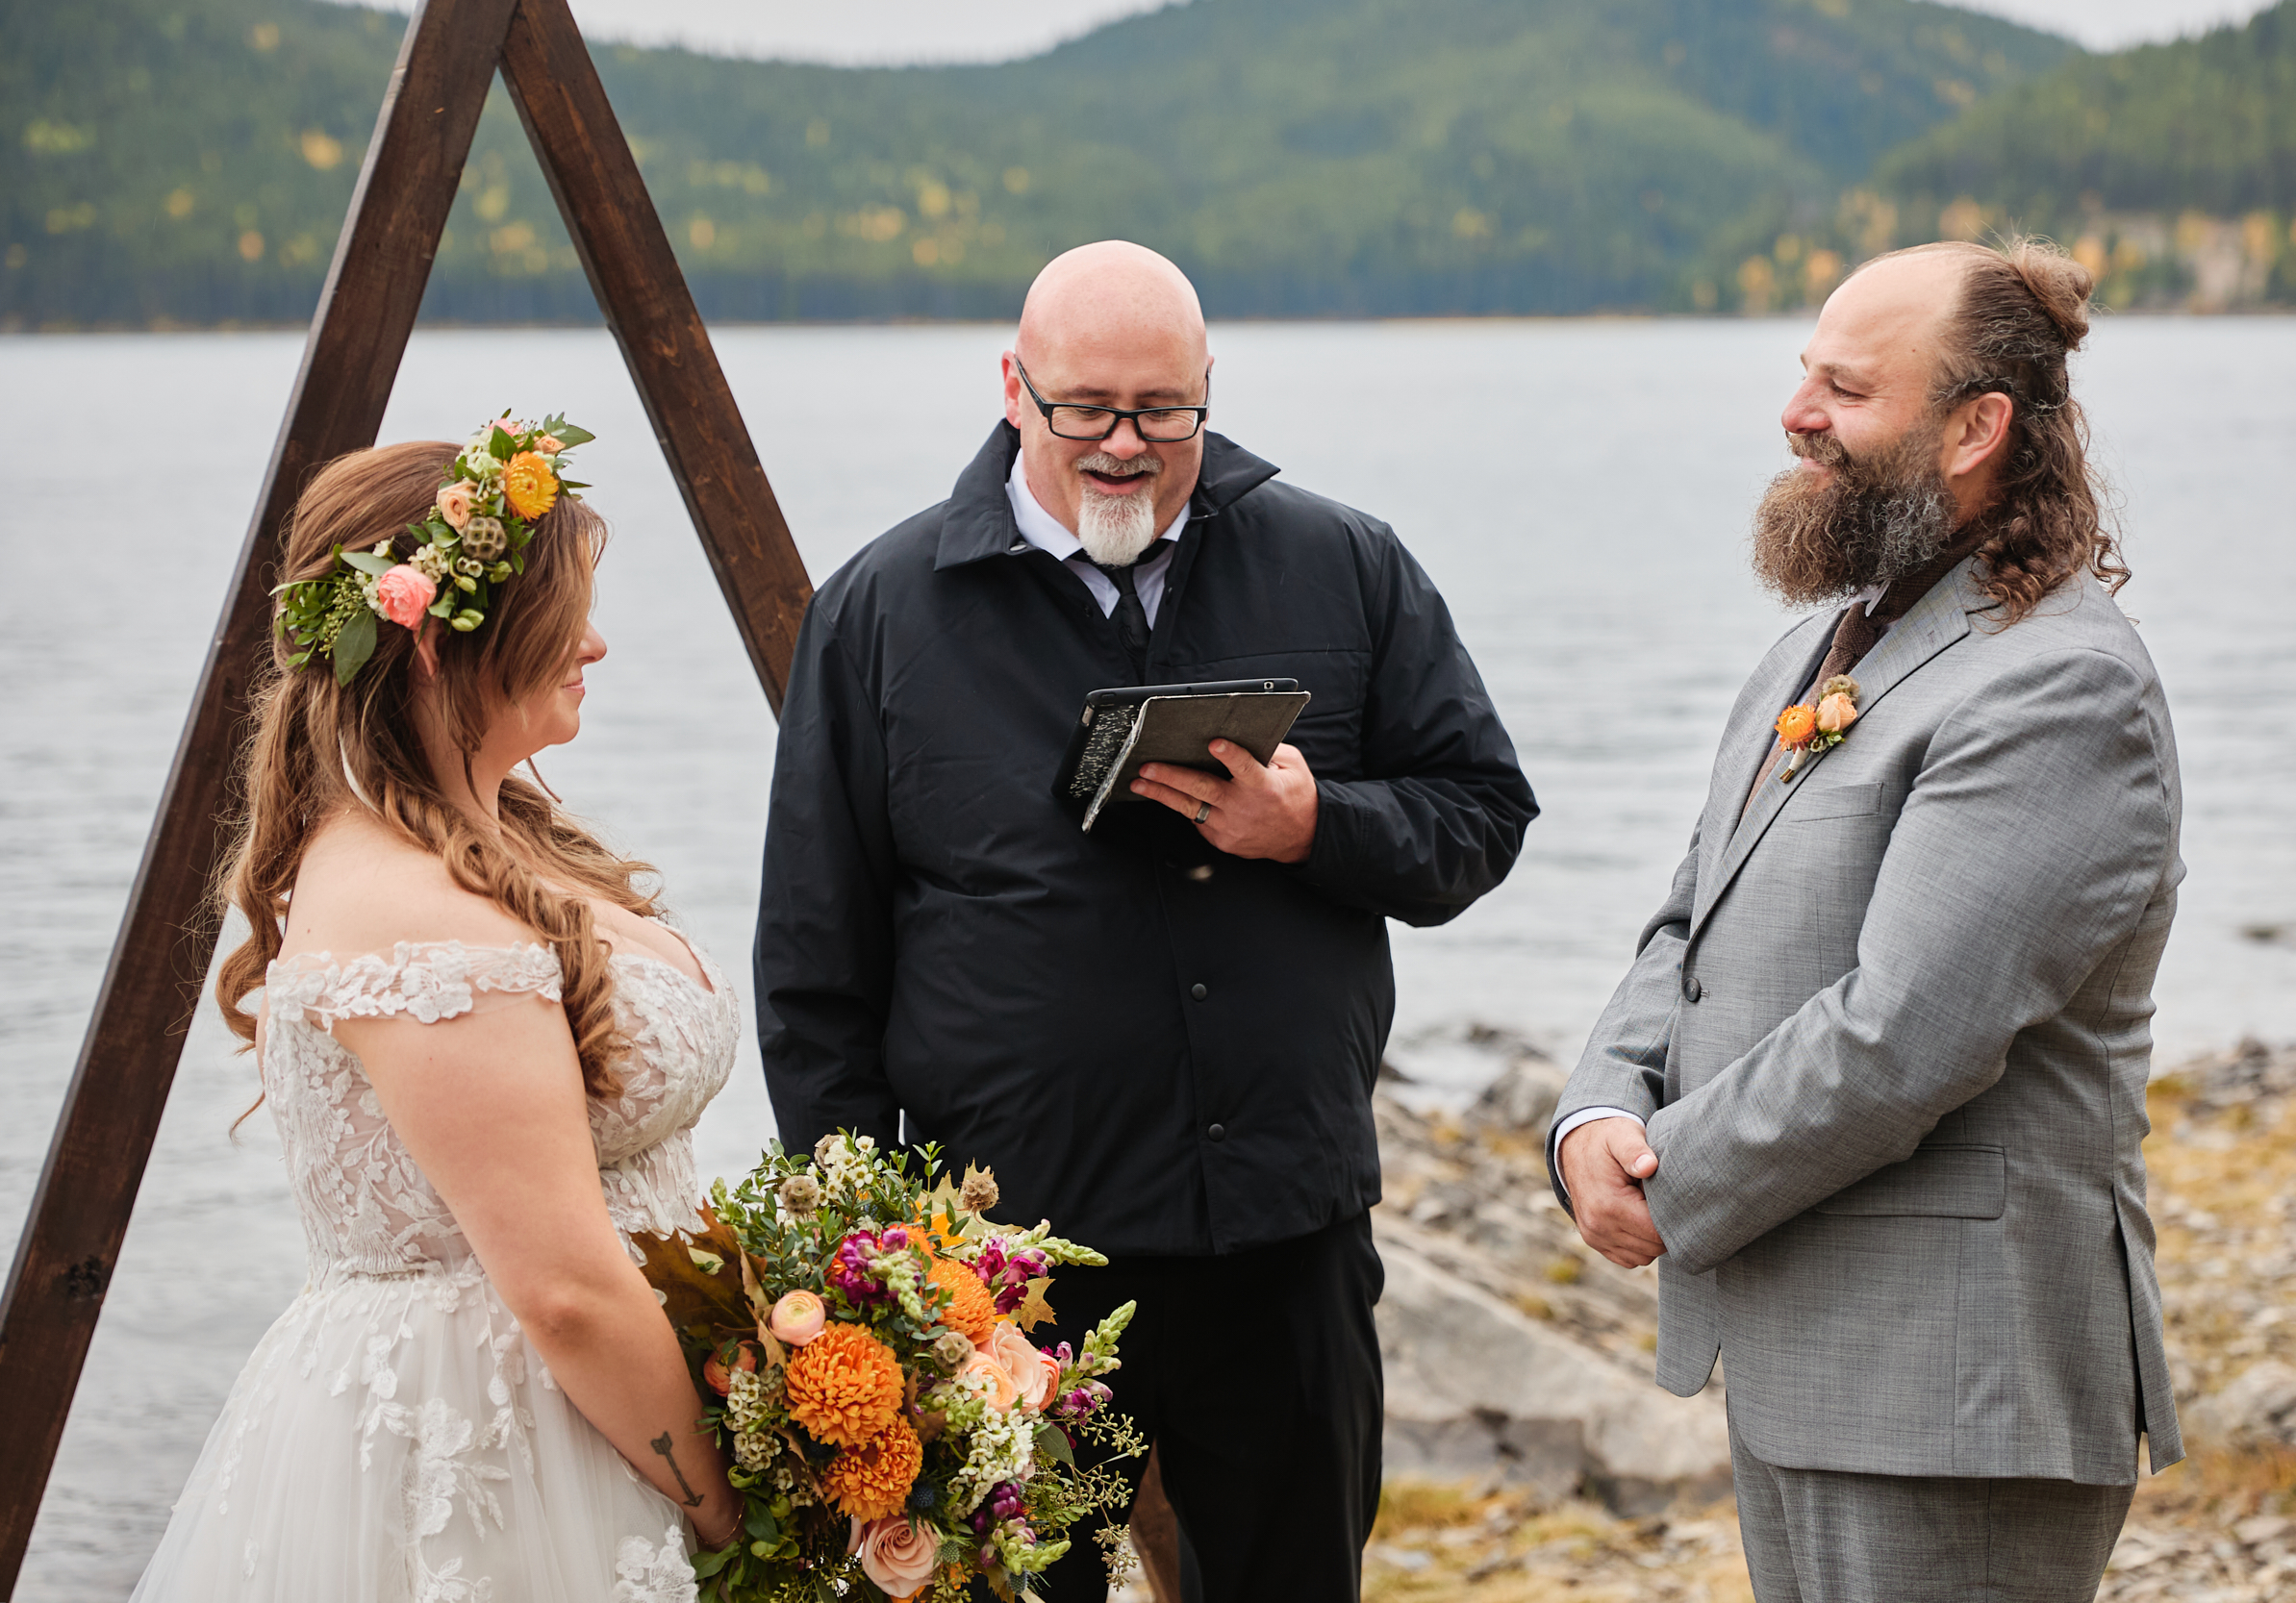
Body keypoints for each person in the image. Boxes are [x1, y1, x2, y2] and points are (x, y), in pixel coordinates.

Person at [756, 240, 1538, 1599]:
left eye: (1163, 410)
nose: (1125, 444)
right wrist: (866, 1266)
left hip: (1283, 1241)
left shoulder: (1344, 563)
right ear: (1014, 388)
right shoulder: (882, 611)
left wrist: (1316, 827)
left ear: (1207, 393)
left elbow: (1481, 816)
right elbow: (815, 968)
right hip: (1003, 1276)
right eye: (1087, 409)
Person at [1552, 238, 2183, 1603]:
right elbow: (1690, 923)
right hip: (1811, 1355)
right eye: (1804, 376)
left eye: (1846, 388)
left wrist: (1669, 1172)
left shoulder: (2062, 685)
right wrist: (1596, 1110)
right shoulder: (1827, 644)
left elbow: (1905, 1033)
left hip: (1961, 1383)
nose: (1797, 414)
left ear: (1976, 427)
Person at [134, 427, 740, 1600]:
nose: (597, 643)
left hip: (606, 1413)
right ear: (434, 648)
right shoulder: (418, 915)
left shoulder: (491, 835)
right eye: (562, 617)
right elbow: (562, 1290)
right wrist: (736, 1511)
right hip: (503, 1455)